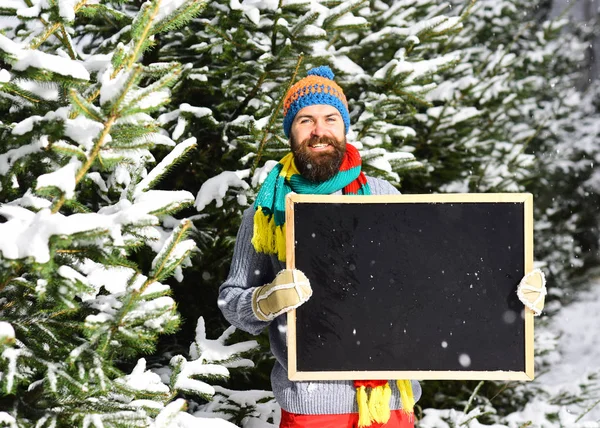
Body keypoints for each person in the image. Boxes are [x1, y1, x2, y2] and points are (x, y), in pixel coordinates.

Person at [218, 65, 421, 428]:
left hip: (389, 402)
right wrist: (266, 300)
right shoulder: (267, 211)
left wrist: (508, 296)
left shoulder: (383, 196)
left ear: (343, 127)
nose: (319, 130)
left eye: (330, 118)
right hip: (312, 407)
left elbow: (425, 286)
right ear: (291, 133)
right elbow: (231, 302)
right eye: (305, 120)